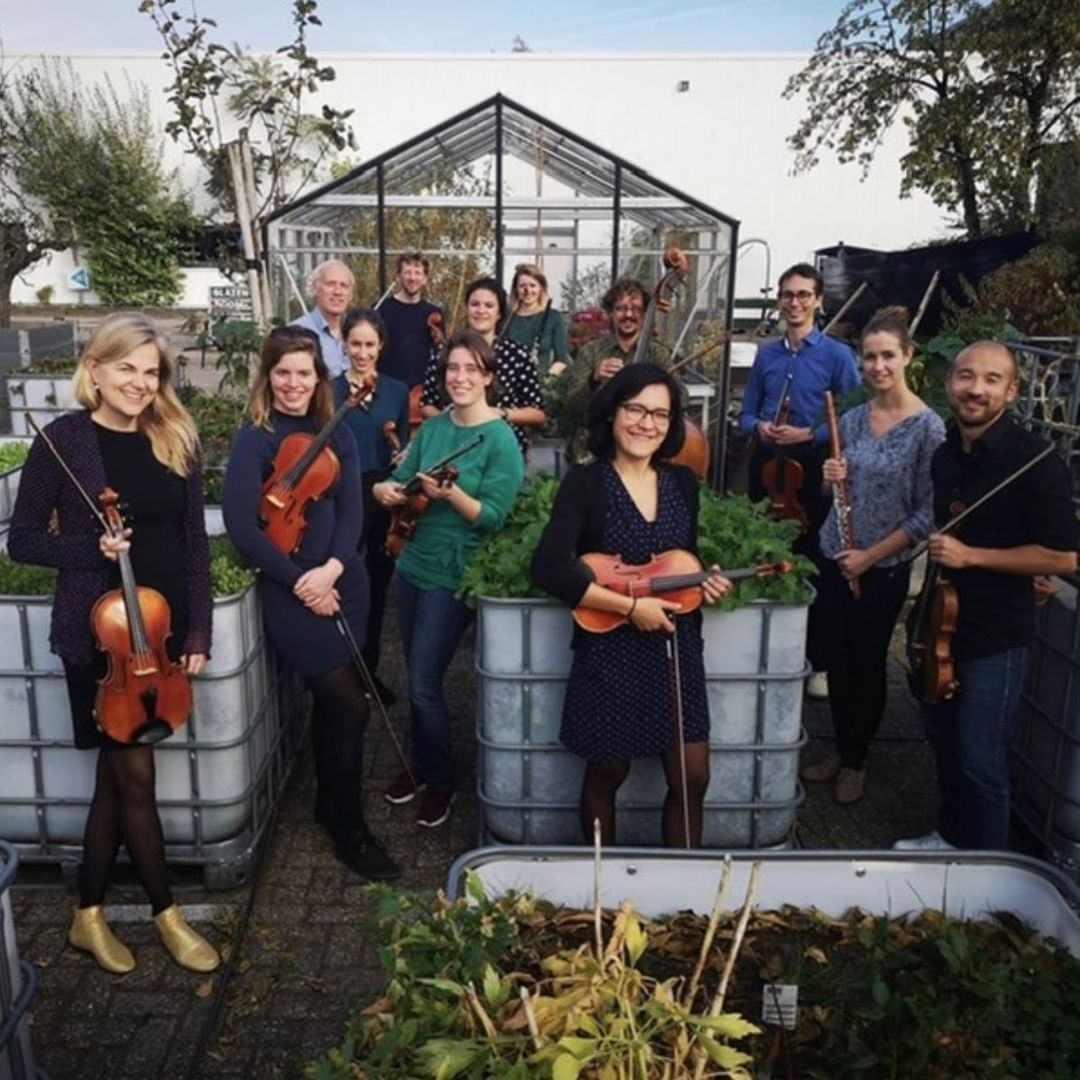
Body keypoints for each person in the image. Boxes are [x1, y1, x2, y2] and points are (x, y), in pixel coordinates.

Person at [8, 313, 219, 975]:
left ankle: (86, 916)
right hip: (96, 641)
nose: (138, 382)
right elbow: (23, 541)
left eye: (150, 372)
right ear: (94, 368)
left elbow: (192, 548)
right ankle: (166, 913)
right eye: (125, 367)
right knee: (136, 775)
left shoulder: (174, 437)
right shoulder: (65, 444)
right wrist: (90, 547)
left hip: (156, 640)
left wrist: (198, 629)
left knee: (113, 779)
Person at [222, 326, 400, 880]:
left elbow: (352, 514)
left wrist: (332, 569)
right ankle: (348, 827)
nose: (293, 383)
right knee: (349, 703)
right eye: (282, 373)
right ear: (267, 376)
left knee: (340, 702)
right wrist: (302, 581)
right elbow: (242, 527)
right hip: (290, 592)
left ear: (318, 377)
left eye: (304, 373)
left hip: (344, 582)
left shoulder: (338, 429)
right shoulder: (256, 436)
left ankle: (330, 800)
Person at [530, 363, 732, 847]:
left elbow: (678, 560)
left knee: (692, 776)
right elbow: (549, 567)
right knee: (608, 771)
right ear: (613, 413)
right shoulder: (586, 482)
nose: (647, 423)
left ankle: (685, 895)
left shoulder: (681, 483)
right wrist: (628, 607)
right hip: (611, 646)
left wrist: (704, 582)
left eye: (660, 414)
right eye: (636, 409)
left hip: (675, 644)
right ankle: (607, 888)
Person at [894, 341, 1077, 851]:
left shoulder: (1036, 463)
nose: (976, 389)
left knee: (981, 760)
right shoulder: (947, 453)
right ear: (950, 382)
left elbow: (1062, 558)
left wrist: (973, 557)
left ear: (1012, 390)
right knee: (943, 741)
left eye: (992, 379)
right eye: (966, 376)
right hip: (939, 623)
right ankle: (951, 837)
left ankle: (992, 869)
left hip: (995, 635)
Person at [374, 330, 525, 828]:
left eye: (470, 370)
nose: (459, 378)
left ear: (487, 377)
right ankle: (420, 766)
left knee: (423, 682)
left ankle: (441, 783)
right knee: (415, 677)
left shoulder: (500, 439)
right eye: (452, 369)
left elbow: (493, 516)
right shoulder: (435, 428)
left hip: (455, 571)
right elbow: (409, 474)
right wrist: (387, 490)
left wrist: (450, 497)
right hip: (412, 560)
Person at [799, 307, 945, 804]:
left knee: (866, 663)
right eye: (869, 357)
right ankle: (842, 747)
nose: (878, 365)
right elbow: (829, 492)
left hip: (880, 568)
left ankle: (857, 760)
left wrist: (869, 557)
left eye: (888, 355)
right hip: (835, 557)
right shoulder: (855, 418)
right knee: (836, 659)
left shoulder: (929, 429)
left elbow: (926, 514)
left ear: (907, 356)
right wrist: (828, 477)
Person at [737, 263, 861, 699]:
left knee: (816, 558)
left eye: (803, 295)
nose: (795, 302)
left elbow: (854, 416)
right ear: (779, 302)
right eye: (788, 295)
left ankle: (818, 660)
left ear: (818, 301)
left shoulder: (838, 355)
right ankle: (764, 645)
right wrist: (760, 429)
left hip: (812, 467)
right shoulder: (767, 354)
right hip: (769, 464)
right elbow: (747, 413)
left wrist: (811, 433)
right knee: (763, 549)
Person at [334, 307, 410, 704]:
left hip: (381, 494)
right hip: (339, 496)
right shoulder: (328, 392)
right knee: (346, 584)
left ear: (381, 347)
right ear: (343, 344)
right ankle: (342, 672)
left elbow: (401, 447)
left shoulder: (396, 392)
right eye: (355, 344)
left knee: (377, 586)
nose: (362, 353)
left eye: (369, 345)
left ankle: (370, 670)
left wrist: (402, 459)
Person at [419, 277, 545, 458]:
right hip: (452, 449)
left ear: (499, 313)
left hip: (503, 451)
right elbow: (427, 404)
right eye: (475, 304)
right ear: (467, 308)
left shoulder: (517, 354)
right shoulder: (443, 352)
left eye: (489, 305)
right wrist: (452, 424)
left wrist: (500, 413)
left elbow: (537, 413)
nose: (481, 311)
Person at [562, 277, 682, 465]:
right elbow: (571, 408)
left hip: (644, 446)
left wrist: (659, 388)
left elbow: (682, 397)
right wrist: (594, 380)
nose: (628, 314)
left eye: (636, 309)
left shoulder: (658, 353)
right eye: (620, 309)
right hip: (594, 448)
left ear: (644, 315)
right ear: (610, 314)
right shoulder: (591, 352)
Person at [376, 252, 442, 390]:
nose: (412, 278)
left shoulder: (433, 313)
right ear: (398, 276)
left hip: (420, 392)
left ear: (425, 279)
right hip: (386, 387)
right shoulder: (381, 308)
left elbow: (438, 355)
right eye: (407, 272)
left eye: (418, 273)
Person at [291, 259, 355, 377]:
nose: (337, 291)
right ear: (315, 289)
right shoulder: (297, 333)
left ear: (350, 295)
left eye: (344, 286)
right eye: (330, 284)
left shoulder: (356, 332)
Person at [504, 263, 571, 377]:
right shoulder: (507, 318)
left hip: (540, 383)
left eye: (533, 285)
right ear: (515, 289)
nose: (528, 290)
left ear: (541, 288)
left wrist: (545, 380)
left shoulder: (553, 317)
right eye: (522, 286)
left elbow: (561, 359)